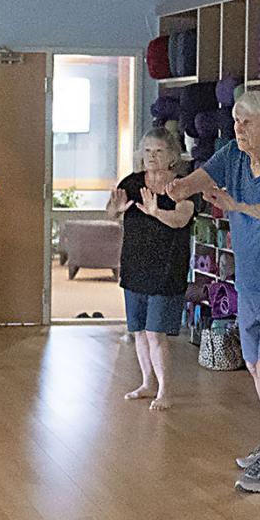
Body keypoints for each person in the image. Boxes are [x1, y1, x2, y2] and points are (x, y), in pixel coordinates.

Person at [166, 90, 260, 493]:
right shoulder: (232, 154)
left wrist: (237, 206)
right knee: (253, 366)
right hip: (249, 279)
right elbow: (201, 179)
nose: (237, 127)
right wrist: (179, 187)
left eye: (246, 121)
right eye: (235, 119)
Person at [107, 128, 200, 410]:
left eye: (158, 151)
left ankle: (165, 391)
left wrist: (156, 211)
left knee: (156, 333)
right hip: (135, 266)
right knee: (139, 331)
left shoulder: (182, 185)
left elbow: (181, 220)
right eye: (147, 151)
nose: (151, 156)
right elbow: (111, 212)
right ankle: (147, 382)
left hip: (167, 269)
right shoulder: (132, 183)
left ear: (172, 156)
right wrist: (117, 210)